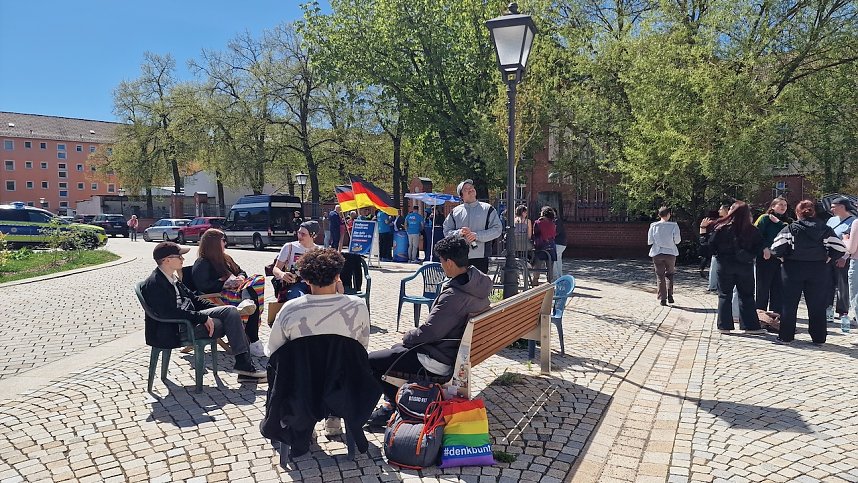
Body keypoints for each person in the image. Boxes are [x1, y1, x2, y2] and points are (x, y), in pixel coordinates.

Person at [366, 236, 492, 425]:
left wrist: (408, 336)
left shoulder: (454, 295)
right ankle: (392, 404)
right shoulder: (478, 284)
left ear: (449, 263)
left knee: (370, 361)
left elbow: (431, 333)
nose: (441, 266)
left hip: (437, 360)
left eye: (441, 262)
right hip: (454, 352)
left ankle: (395, 406)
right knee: (393, 351)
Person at [266, 248, 370, 437]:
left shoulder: (290, 309)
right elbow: (362, 346)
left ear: (305, 279)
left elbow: (273, 350)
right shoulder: (357, 306)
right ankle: (334, 416)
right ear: (338, 276)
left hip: (302, 384)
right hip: (341, 381)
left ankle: (301, 422)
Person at [140, 242, 266, 380]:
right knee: (231, 320)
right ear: (167, 260)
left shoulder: (172, 278)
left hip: (187, 321)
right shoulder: (155, 283)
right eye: (179, 256)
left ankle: (244, 366)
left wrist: (216, 310)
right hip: (176, 330)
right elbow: (170, 312)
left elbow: (195, 299)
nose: (183, 259)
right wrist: (202, 318)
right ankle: (245, 367)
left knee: (230, 312)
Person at [771, 200, 846, 344]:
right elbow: (841, 249)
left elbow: (776, 248)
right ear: (814, 212)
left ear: (797, 213)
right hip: (818, 270)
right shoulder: (825, 229)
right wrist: (828, 258)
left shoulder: (791, 228)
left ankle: (786, 336)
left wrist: (783, 258)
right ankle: (818, 338)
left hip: (792, 269)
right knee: (817, 304)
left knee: (789, 304)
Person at [192, 229, 266, 356]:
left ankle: (246, 303)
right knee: (253, 296)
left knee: (258, 278)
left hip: (236, 291)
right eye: (223, 240)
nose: (225, 243)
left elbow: (241, 271)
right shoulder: (202, 262)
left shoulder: (226, 258)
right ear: (214, 243)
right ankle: (253, 339)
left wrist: (240, 278)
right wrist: (225, 283)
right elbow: (203, 286)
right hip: (219, 297)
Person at [700, 201, 765, 334]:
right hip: (745, 266)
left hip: (725, 265)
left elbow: (709, 248)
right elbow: (759, 248)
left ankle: (724, 326)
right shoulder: (752, 230)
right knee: (747, 296)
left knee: (724, 295)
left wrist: (703, 232)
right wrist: (749, 255)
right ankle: (750, 326)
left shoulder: (721, 228)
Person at [442, 179, 503, 274]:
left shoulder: (488, 209)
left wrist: (476, 235)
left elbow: (497, 230)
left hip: (480, 257)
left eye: (471, 187)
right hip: (459, 257)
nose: (470, 189)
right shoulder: (455, 212)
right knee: (461, 286)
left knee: (479, 287)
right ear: (461, 195)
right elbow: (446, 232)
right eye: (466, 189)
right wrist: (459, 233)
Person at [754, 197, 790, 313]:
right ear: (773, 206)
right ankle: (760, 315)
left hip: (781, 259)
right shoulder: (764, 218)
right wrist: (764, 248)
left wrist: (779, 223)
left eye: (785, 205)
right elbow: (756, 234)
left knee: (778, 289)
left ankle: (776, 316)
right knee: (762, 288)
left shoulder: (787, 221)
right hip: (766, 257)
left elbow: (792, 233)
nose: (783, 207)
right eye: (780, 204)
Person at [273, 221, 322, 301]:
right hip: (294, 284)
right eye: (298, 233)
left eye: (303, 234)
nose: (299, 236)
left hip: (315, 285)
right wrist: (282, 274)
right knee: (299, 299)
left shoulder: (320, 250)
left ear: (313, 235)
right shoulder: (289, 247)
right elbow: (276, 269)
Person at [825, 197, 855, 323]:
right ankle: (828, 308)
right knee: (827, 284)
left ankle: (842, 311)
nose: (831, 209)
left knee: (843, 285)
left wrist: (844, 257)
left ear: (842, 207)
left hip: (843, 257)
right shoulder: (831, 220)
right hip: (829, 256)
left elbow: (853, 242)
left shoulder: (854, 221)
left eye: (833, 206)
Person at [648, 206, 681, 306]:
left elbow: (650, 241)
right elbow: (678, 240)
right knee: (670, 274)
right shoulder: (674, 225)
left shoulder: (653, 226)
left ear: (659, 215)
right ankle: (670, 294)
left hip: (657, 253)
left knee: (660, 276)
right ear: (668, 215)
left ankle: (663, 298)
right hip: (670, 252)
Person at [531, 206, 558, 285]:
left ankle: (535, 282)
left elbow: (535, 234)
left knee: (537, 266)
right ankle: (549, 283)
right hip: (551, 245)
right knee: (550, 267)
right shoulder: (553, 223)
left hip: (541, 245)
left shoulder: (538, 222)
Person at [553, 208, 567, 279]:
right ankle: (560, 276)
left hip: (558, 243)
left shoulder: (556, 221)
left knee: (553, 259)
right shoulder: (557, 221)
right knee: (558, 259)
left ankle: (556, 277)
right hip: (561, 243)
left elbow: (555, 232)